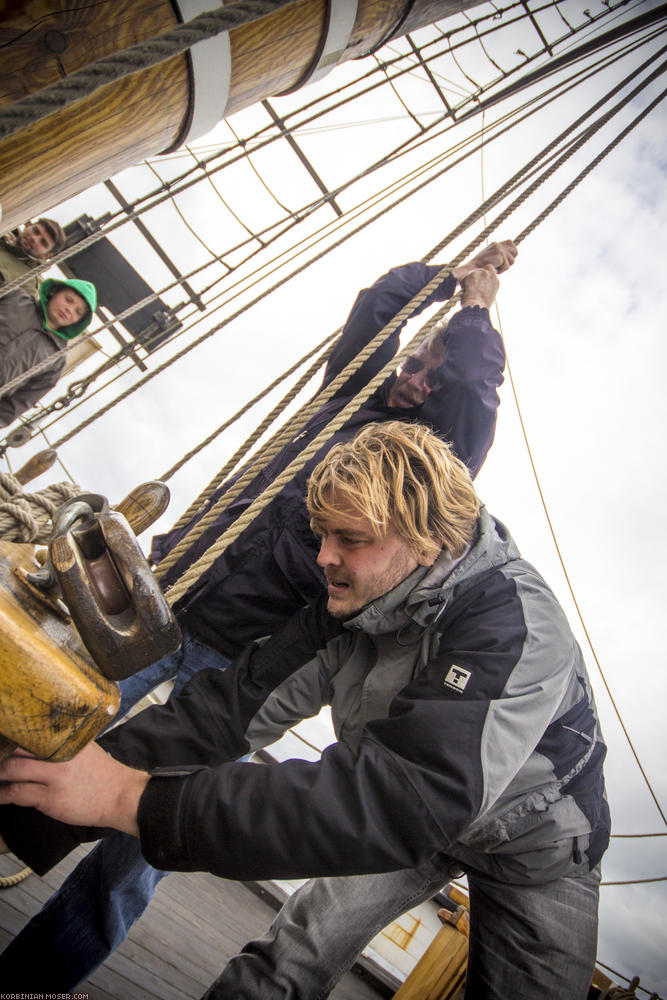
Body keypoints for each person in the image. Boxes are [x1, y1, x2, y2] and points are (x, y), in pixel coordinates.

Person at [0, 242, 517, 989]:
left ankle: (32, 979)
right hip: (165, 602)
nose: (414, 380)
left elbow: (471, 392)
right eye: (412, 364)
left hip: (244, 662)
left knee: (138, 849)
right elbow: (376, 305)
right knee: (33, 718)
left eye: (429, 378)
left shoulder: (426, 462)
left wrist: (475, 312)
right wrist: (443, 277)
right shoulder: (348, 396)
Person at [0, 420, 610, 999]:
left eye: (351, 539)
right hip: (406, 808)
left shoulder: (515, 627)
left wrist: (124, 800)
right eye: (323, 535)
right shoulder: (350, 608)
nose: (323, 556)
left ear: (428, 541)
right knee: (279, 970)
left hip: (534, 851)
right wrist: (37, 792)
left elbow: (400, 803)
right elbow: (224, 714)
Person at [0, 277, 97, 428]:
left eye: (78, 312)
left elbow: (17, 403)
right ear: (54, 292)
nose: (69, 310)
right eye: (68, 300)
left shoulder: (55, 362)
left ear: (79, 322)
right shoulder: (14, 298)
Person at [0, 219, 67, 295]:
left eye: (43, 242)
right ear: (29, 226)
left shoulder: (27, 284)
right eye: (35, 231)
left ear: (46, 255)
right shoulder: (3, 228)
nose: (34, 239)